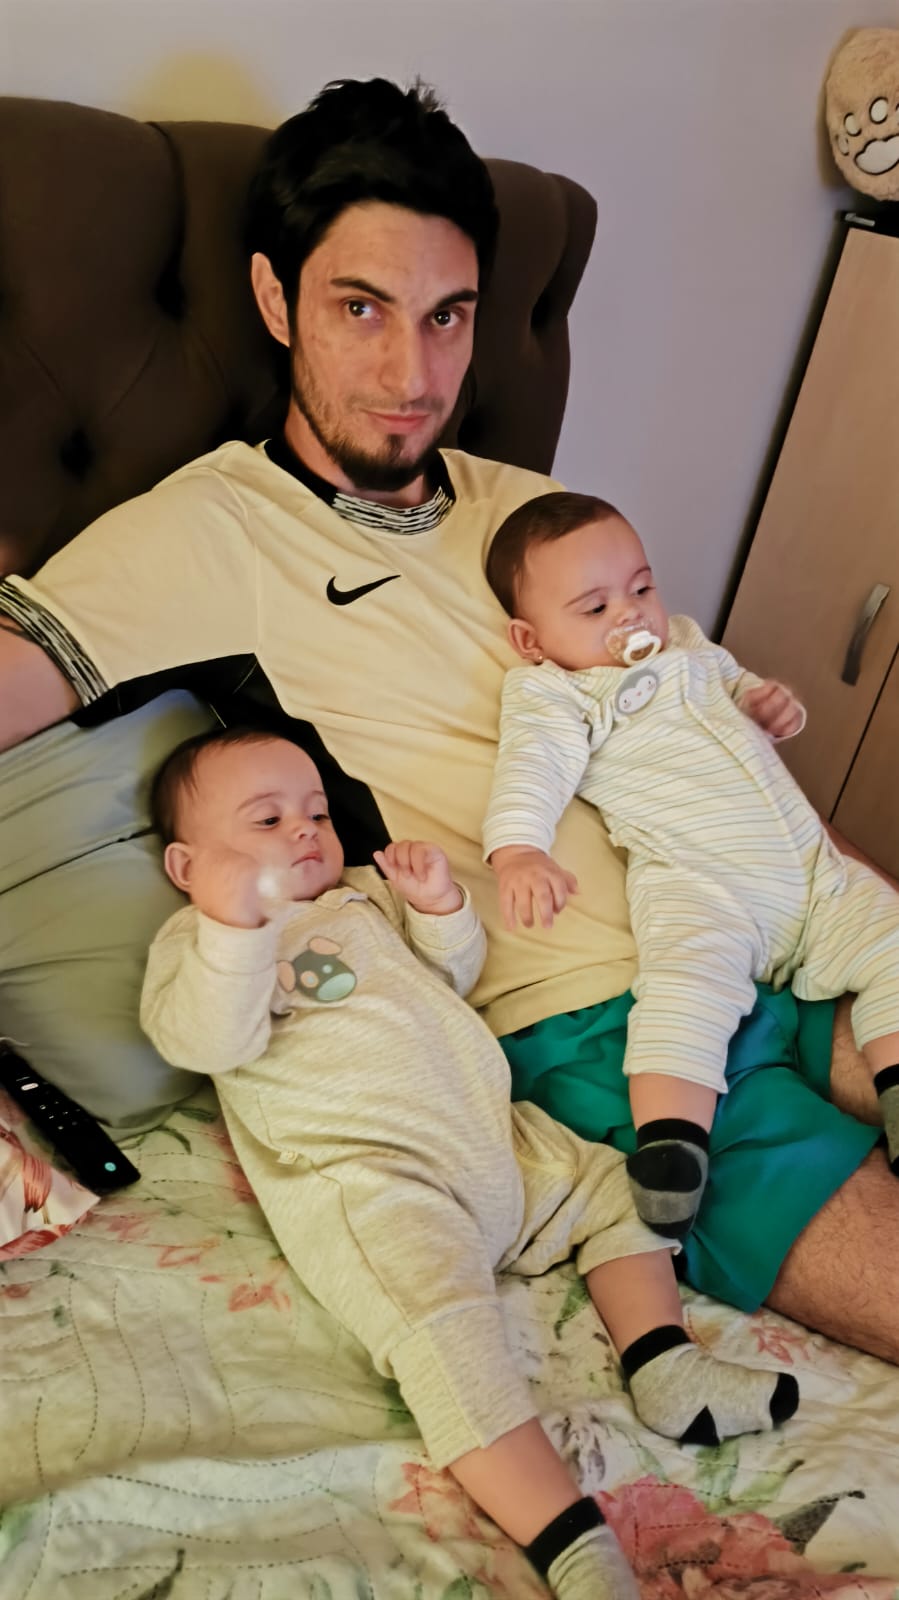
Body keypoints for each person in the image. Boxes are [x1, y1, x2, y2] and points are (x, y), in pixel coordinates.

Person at [0, 76, 894, 1357]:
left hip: (763, 915)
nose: (411, 374)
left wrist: (843, 882)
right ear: (275, 301)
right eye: (358, 308)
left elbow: (701, 719)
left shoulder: (530, 508)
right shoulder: (208, 530)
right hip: (593, 1016)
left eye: (447, 316)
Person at [140, 726, 799, 1600]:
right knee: (445, 1341)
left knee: (615, 1190)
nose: (305, 830)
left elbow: (448, 980)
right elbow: (206, 1041)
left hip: (493, 1146)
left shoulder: (358, 898)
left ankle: (664, 1362)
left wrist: (437, 909)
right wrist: (233, 926)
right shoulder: (196, 944)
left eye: (316, 813)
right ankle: (574, 1548)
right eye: (267, 820)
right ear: (187, 866)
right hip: (379, 1182)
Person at [482, 491, 899, 1239]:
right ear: (530, 638)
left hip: (812, 871)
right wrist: (518, 851)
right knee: (685, 989)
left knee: (893, 938)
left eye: (641, 587)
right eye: (595, 607)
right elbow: (530, 770)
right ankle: (672, 1145)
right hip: (701, 885)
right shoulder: (556, 692)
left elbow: (737, 687)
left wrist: (767, 705)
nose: (630, 615)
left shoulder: (685, 642)